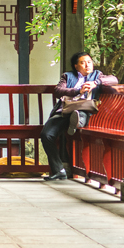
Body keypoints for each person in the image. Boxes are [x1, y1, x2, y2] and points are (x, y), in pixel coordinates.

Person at [40, 51, 118, 181]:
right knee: (46, 135)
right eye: (83, 62)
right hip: (64, 111)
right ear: (76, 66)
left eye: (89, 62)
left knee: (80, 113)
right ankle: (58, 170)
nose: (87, 65)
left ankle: (77, 121)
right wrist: (78, 90)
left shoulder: (97, 75)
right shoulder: (67, 76)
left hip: (85, 109)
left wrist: (96, 83)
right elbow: (58, 91)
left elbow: (114, 79)